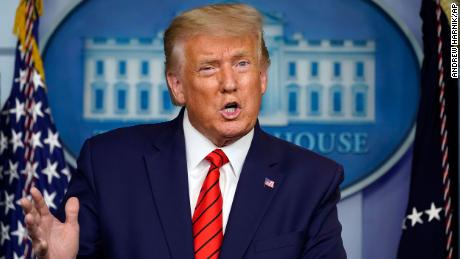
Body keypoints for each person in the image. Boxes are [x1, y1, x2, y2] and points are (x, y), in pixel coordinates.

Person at [21, 3, 346, 259]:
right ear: (177, 86)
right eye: (209, 68)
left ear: (262, 77)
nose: (230, 83)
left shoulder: (312, 181)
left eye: (243, 64)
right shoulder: (109, 164)